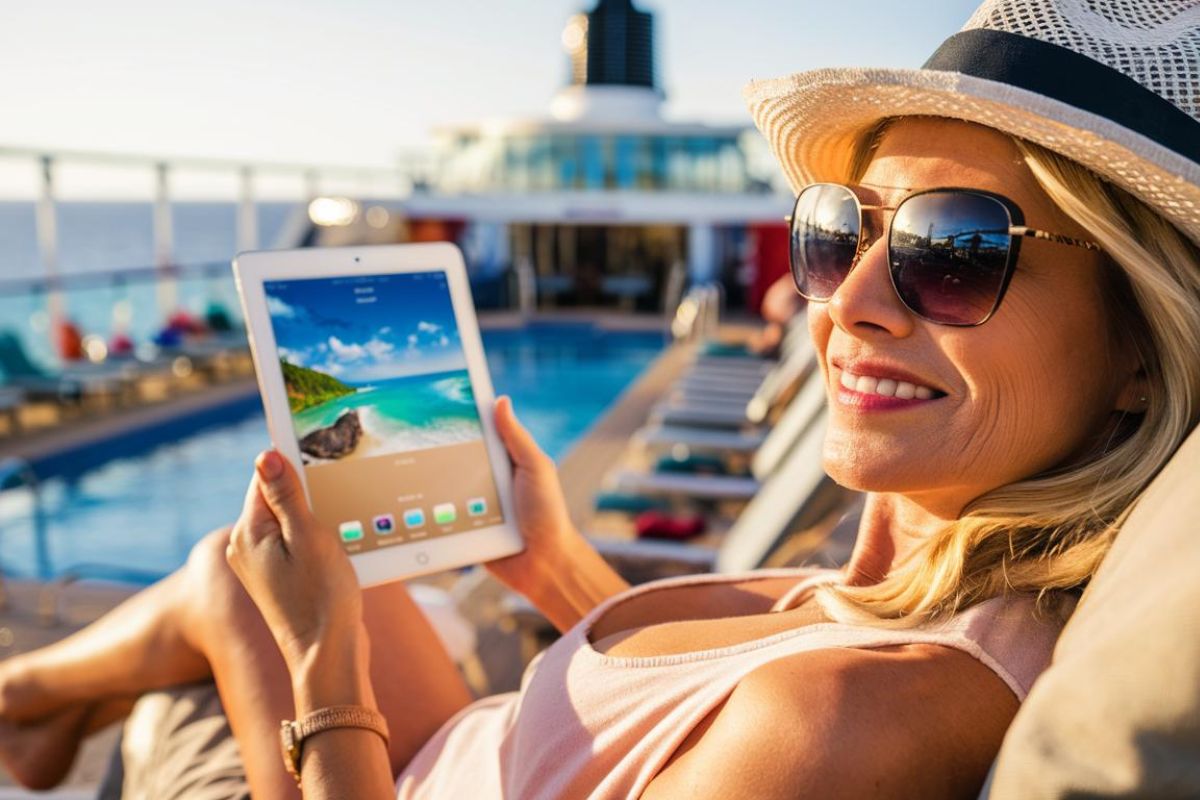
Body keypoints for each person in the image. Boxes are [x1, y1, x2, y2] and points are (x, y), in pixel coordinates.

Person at [3, 0, 1200, 796]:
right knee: (251, 564)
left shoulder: (852, 717)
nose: (848, 302)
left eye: (958, 250)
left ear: (1141, 345)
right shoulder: (925, 570)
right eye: (844, 230)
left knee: (240, 584)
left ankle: (29, 700)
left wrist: (323, 664)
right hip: (471, 750)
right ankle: (36, 706)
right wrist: (561, 574)